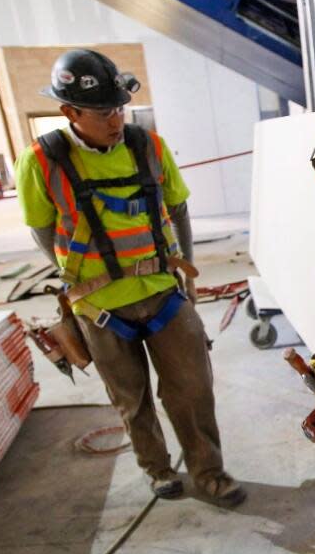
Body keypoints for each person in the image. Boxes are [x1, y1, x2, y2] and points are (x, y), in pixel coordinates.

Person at [15, 49, 246, 507]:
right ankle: (158, 470)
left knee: (193, 390)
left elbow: (177, 209)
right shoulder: (41, 161)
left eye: (118, 108)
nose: (115, 120)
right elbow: (42, 228)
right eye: (102, 112)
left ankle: (209, 473)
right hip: (100, 307)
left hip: (162, 292)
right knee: (130, 397)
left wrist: (187, 275)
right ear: (69, 112)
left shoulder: (149, 147)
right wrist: (75, 281)